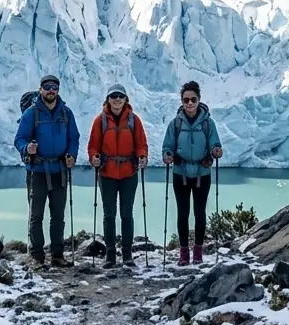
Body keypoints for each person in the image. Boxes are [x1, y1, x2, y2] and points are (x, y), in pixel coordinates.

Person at [14, 74, 79, 268]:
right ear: (41, 89)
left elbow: (74, 138)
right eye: (47, 87)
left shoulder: (66, 113)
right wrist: (27, 148)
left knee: (58, 215)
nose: (51, 91)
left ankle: (57, 255)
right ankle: (37, 256)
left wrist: (71, 155)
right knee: (36, 215)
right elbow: (19, 138)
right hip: (37, 170)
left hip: (59, 169)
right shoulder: (31, 114)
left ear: (58, 90)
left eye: (54, 87)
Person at [87, 83, 148, 268]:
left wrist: (142, 156)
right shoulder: (101, 121)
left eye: (120, 96)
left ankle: (127, 255)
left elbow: (141, 143)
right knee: (109, 215)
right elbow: (93, 145)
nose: (117, 99)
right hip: (107, 173)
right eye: (113, 96)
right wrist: (94, 158)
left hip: (129, 172)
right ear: (108, 99)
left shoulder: (133, 120)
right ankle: (111, 255)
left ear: (126, 99)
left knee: (126, 214)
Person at [161, 80, 222, 266]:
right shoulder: (175, 124)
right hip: (181, 173)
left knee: (200, 212)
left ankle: (198, 252)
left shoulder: (208, 123)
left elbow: (215, 142)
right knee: (183, 213)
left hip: (202, 173)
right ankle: (184, 253)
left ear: (199, 100)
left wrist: (216, 150)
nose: (189, 103)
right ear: (181, 101)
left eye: (193, 99)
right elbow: (167, 145)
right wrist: (168, 155)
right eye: (186, 99)